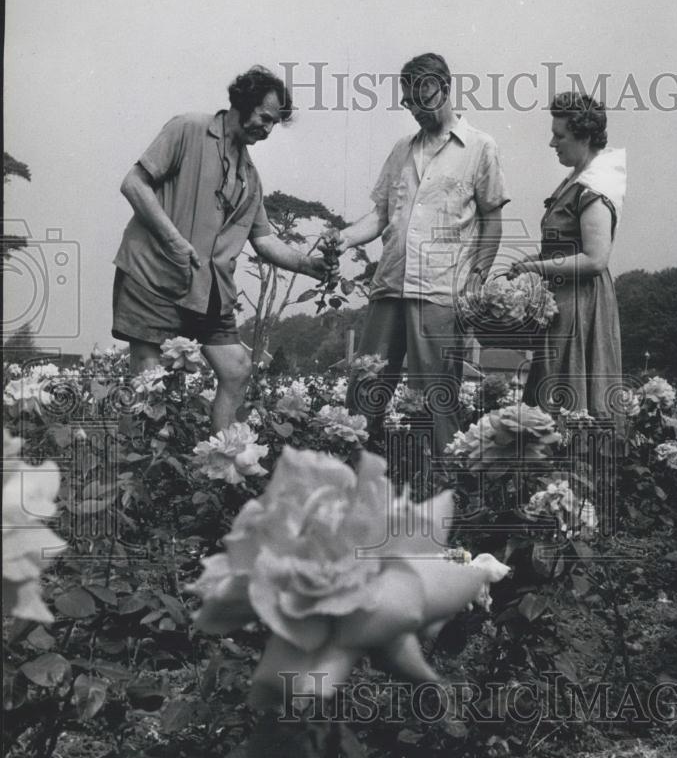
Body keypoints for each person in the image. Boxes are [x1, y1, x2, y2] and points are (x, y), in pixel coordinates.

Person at [112, 66, 328, 431]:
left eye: (275, 123)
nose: (268, 129)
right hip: (153, 277)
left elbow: (263, 240)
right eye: (265, 117)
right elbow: (133, 183)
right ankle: (136, 474)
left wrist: (309, 264)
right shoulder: (188, 129)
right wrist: (173, 240)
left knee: (237, 369)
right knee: (150, 384)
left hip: (208, 291)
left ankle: (220, 460)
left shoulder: (250, 176)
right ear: (243, 102)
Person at [341, 52, 509, 460]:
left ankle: (447, 492)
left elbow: (492, 221)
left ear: (445, 89)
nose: (415, 108)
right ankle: (351, 480)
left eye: (423, 97)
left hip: (440, 293)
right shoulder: (401, 150)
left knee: (436, 400)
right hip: (389, 287)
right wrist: (341, 238)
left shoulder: (480, 147)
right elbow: (380, 215)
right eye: (409, 101)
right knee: (364, 391)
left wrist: (476, 281)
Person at [515, 92, 626, 421]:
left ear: (585, 136)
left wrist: (534, 267)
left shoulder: (596, 185)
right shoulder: (574, 180)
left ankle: (572, 468)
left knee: (570, 395)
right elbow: (564, 247)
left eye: (559, 135)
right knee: (552, 390)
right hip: (561, 299)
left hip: (580, 303)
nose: (552, 143)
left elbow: (595, 259)